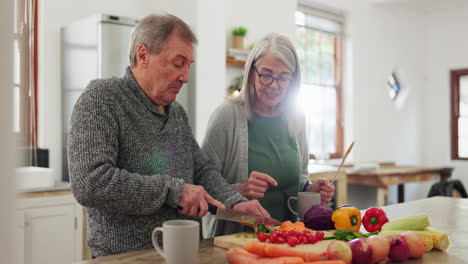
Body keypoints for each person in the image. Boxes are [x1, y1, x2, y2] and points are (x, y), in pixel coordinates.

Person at [67, 14, 269, 257]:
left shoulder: (176, 113)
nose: (185, 76)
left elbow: (201, 170)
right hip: (126, 258)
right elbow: (90, 182)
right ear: (143, 55)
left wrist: (235, 202)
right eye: (178, 63)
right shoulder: (102, 98)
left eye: (188, 65)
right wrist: (175, 191)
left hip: (186, 254)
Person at [202, 33, 335, 237]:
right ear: (252, 73)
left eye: (283, 78)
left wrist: (310, 189)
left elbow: (298, 179)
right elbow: (203, 187)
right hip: (237, 240)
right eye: (266, 74)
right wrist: (241, 189)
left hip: (288, 239)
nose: (274, 85)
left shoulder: (296, 118)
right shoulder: (227, 116)